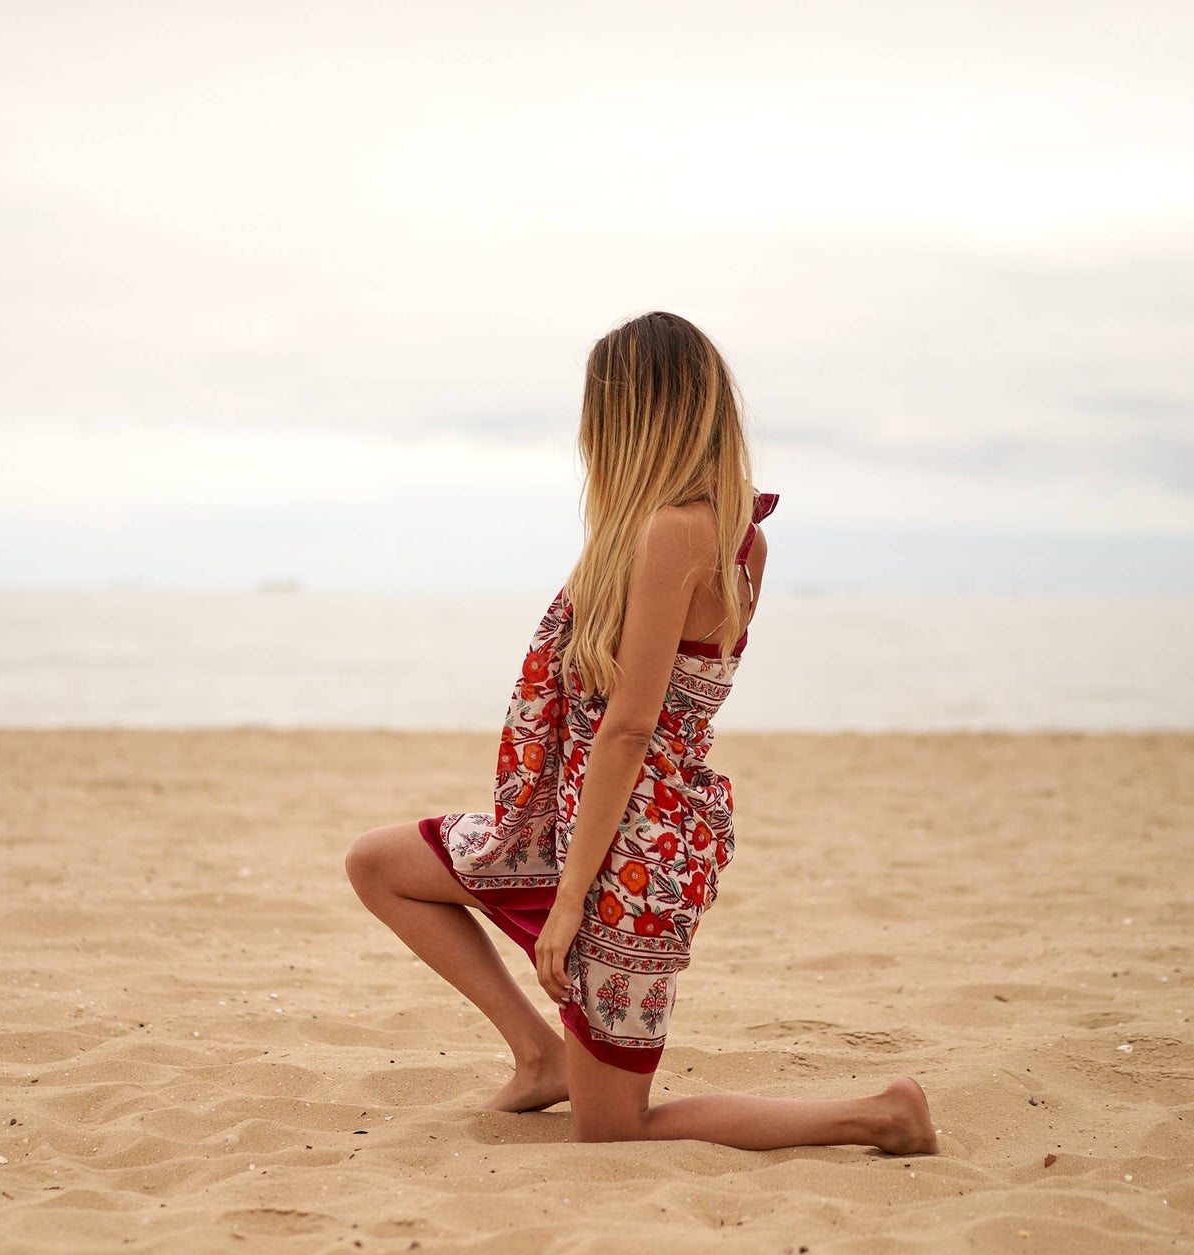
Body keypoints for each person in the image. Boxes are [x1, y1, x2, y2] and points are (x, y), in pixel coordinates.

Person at [345, 311, 939, 1155]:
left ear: (631, 416)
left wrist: (569, 899)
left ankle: (880, 1115)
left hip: (630, 857)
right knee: (379, 863)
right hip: (590, 823)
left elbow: (629, 732)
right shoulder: (735, 535)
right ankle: (538, 1054)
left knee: (613, 1126)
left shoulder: (674, 533)